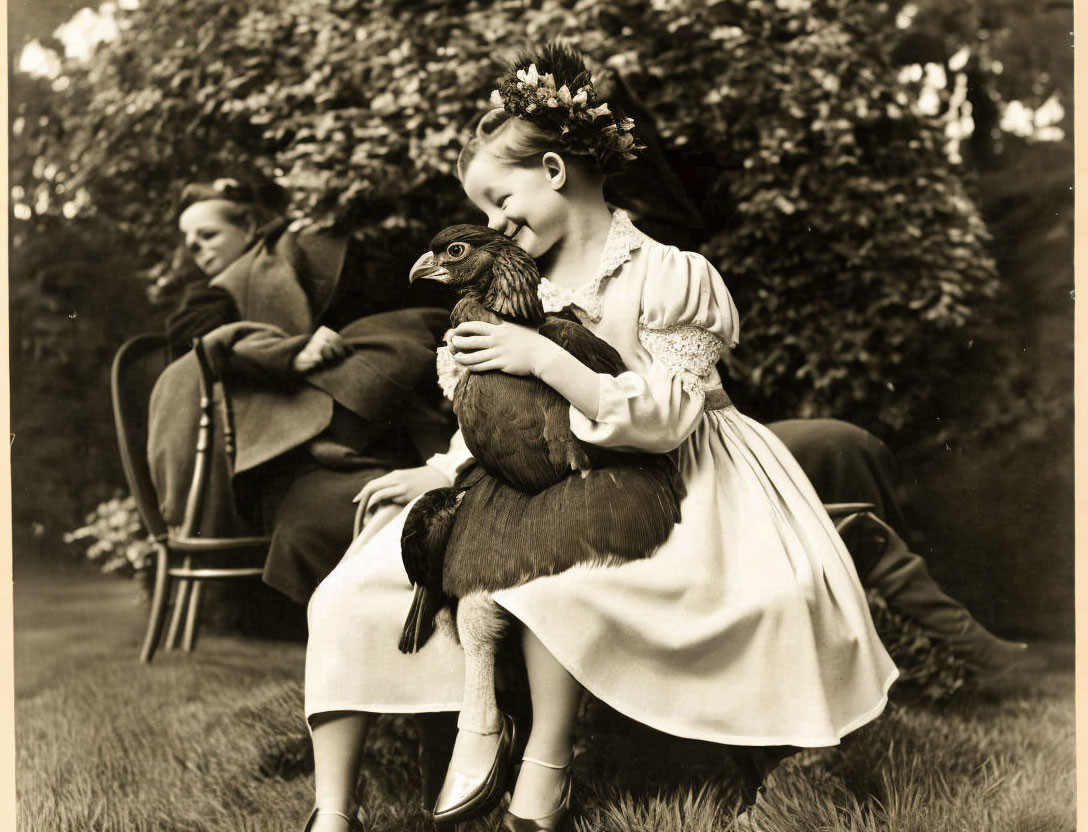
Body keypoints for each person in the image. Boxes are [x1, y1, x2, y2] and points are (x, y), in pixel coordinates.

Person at [304, 44, 894, 832]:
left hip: (682, 473)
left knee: (567, 587)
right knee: (353, 587)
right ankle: (331, 813)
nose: (494, 224)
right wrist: (445, 468)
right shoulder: (512, 286)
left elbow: (666, 421)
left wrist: (544, 356)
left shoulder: (670, 273)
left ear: (554, 169)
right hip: (533, 474)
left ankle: (543, 775)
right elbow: (497, 416)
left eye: (499, 198)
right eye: (481, 213)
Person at [147, 177, 454, 605]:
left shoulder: (297, 260)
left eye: (208, 234)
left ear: (249, 227)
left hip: (357, 420)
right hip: (282, 448)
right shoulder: (213, 296)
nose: (195, 247)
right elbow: (194, 340)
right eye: (189, 239)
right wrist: (286, 353)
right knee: (315, 516)